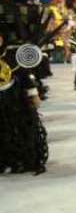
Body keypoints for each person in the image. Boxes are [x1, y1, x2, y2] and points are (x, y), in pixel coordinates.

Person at [0, 27, 48, 175]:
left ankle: (21, 159)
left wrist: (34, 95)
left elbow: (25, 77)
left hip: (14, 100)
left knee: (19, 128)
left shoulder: (13, 56)